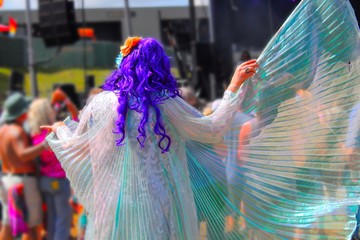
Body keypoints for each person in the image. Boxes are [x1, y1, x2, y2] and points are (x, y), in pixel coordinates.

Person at [43, 37, 258, 239]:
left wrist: (61, 129)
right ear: (158, 66)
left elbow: (76, 147)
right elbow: (211, 129)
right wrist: (233, 86)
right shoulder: (164, 102)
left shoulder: (99, 103)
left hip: (112, 209)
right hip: (155, 207)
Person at [0, 93, 44, 240]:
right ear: (21, 114)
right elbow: (22, 154)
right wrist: (44, 145)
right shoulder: (17, 131)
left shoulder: (3, 130)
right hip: (23, 183)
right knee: (31, 224)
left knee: (8, 223)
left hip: (8, 180)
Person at [27, 98, 72, 240]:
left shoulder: (34, 136)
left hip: (44, 180)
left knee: (52, 218)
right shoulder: (53, 134)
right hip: (58, 180)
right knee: (63, 219)